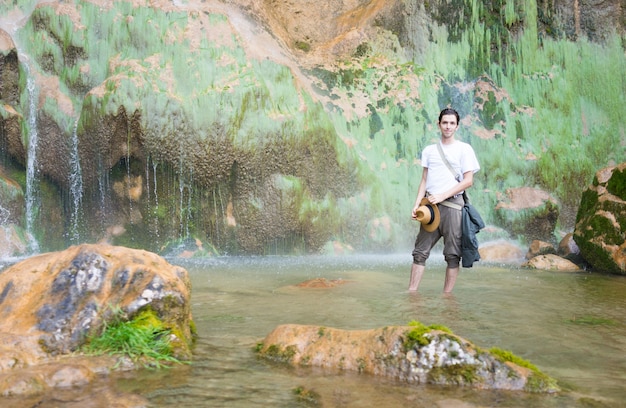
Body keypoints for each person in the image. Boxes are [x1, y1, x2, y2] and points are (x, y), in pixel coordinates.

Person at [409, 108, 480, 293]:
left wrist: (443, 195)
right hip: (430, 208)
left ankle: (447, 297)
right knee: (419, 251)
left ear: (457, 126)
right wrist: (417, 204)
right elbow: (424, 180)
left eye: (451, 123)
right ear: (438, 124)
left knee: (452, 255)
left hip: (454, 207)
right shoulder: (429, 150)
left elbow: (468, 181)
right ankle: (411, 292)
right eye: (444, 122)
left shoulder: (465, 149)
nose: (448, 126)